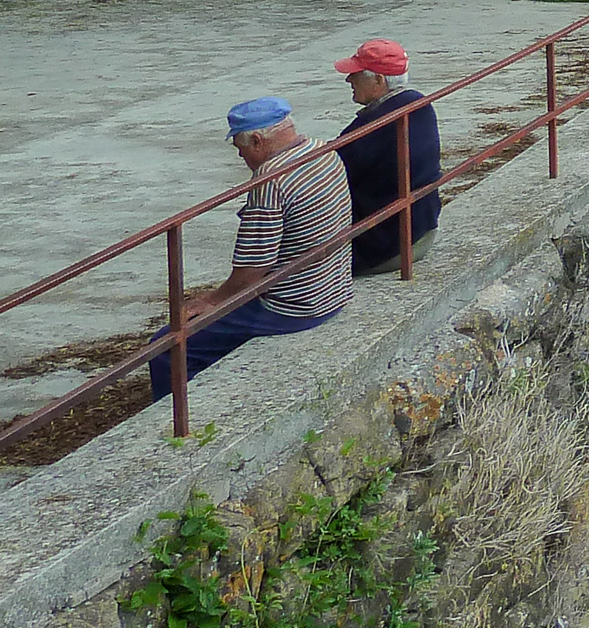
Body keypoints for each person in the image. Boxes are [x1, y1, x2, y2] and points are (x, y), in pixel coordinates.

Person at [149, 98, 354, 400]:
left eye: (240, 148)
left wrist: (212, 300)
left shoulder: (270, 179)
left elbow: (252, 271)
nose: (241, 156)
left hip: (294, 307)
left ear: (257, 140)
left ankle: (177, 419)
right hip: (334, 289)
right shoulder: (323, 151)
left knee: (168, 347)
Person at [332, 38, 442, 276]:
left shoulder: (375, 125)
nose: (349, 80)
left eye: (356, 74)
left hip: (386, 248)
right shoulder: (419, 105)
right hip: (421, 231)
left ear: (379, 81)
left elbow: (327, 171)